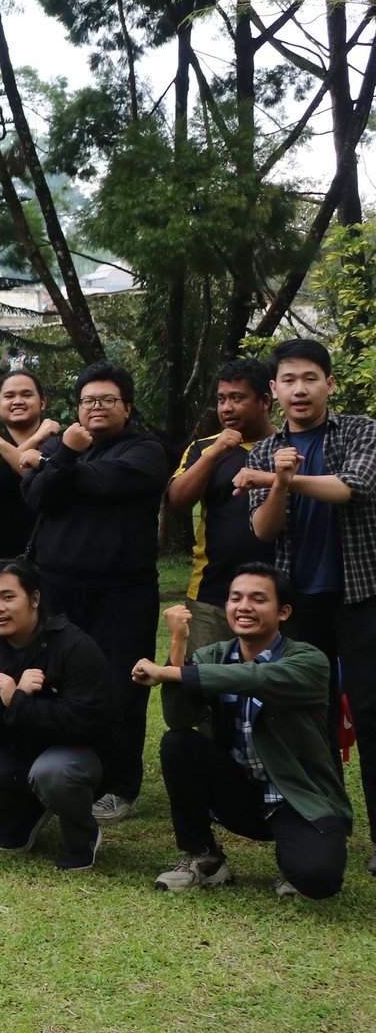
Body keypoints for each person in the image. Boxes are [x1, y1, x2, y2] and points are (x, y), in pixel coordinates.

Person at [237, 338, 376, 869]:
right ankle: (327, 825)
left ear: (329, 384)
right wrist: (278, 480)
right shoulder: (264, 452)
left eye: (310, 378)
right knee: (308, 717)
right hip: (299, 603)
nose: (300, 389)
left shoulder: (361, 430)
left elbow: (351, 488)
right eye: (289, 380)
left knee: (371, 710)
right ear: (274, 390)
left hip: (362, 596)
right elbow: (263, 530)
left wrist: (279, 477)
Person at [136, 566, 351, 899]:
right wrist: (178, 643)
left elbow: (255, 677)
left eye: (258, 599)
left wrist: (168, 673)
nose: (244, 606)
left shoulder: (309, 660)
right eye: (235, 598)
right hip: (240, 795)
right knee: (179, 743)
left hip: (297, 799)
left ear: (283, 612)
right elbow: (179, 718)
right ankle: (204, 857)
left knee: (317, 878)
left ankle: (294, 854)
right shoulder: (214, 656)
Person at [21, 361, 170, 824]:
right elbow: (36, 497)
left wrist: (55, 463)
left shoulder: (145, 451)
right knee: (53, 682)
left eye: (107, 400)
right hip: (58, 588)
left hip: (121, 592)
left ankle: (120, 786)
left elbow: (106, 483)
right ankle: (57, 775)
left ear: (127, 407)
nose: (97, 407)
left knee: (122, 687)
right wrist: (61, 458)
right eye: (88, 400)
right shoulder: (62, 446)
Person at [0, 560, 111, 871]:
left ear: (34, 598)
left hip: (77, 753)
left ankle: (80, 837)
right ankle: (20, 820)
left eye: (8, 597)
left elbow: (84, 723)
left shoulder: (74, 646)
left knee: (52, 772)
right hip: (16, 752)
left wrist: (18, 702)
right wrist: (9, 699)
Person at [167, 358, 276, 653]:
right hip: (211, 593)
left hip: (277, 592)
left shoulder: (289, 447)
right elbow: (178, 500)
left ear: (265, 401)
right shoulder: (204, 448)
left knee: (270, 675)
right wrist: (215, 453)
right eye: (221, 399)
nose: (226, 408)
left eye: (237, 398)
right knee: (203, 675)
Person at [0, 371, 61, 561]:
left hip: (54, 555)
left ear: (43, 402)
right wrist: (36, 438)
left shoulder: (61, 445)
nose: (18, 401)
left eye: (26, 394)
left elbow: (53, 484)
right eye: (9, 396)